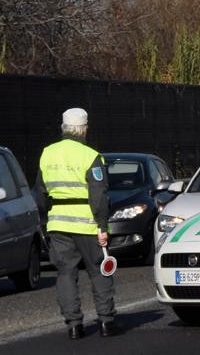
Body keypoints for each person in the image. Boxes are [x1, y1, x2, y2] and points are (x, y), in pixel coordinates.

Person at [32, 108, 118, 339]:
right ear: (84, 129)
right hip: (88, 225)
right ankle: (106, 322)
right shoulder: (91, 156)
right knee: (100, 272)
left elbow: (40, 193)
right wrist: (103, 227)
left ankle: (73, 325)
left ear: (64, 128)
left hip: (58, 224)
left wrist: (44, 220)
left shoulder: (47, 154)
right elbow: (98, 196)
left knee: (65, 274)